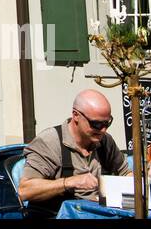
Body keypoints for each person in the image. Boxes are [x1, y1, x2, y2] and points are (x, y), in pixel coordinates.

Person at [18, 89, 131, 217]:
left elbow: (126, 173)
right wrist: (70, 182)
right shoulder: (50, 142)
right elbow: (25, 190)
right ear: (76, 115)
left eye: (107, 123)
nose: (103, 130)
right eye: (96, 124)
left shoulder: (105, 141)